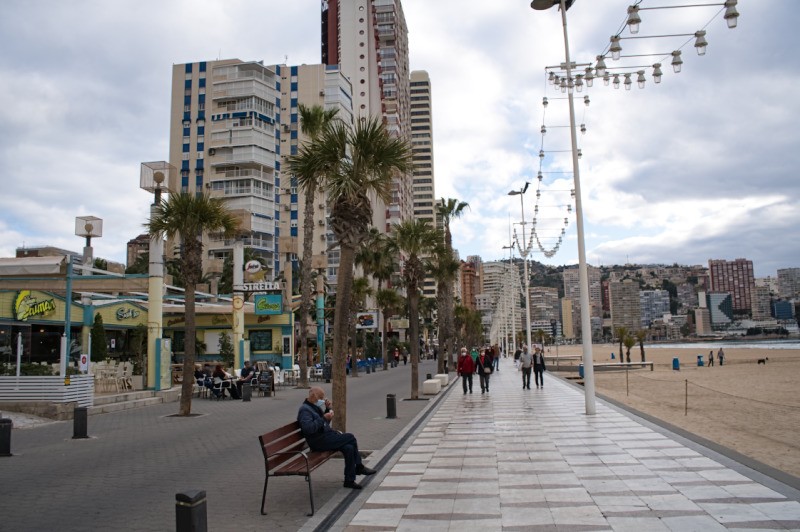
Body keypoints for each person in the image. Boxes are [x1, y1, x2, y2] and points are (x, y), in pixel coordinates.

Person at [297, 387, 376, 489]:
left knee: (349, 448)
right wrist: (323, 418)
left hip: (325, 437)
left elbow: (323, 424)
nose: (322, 400)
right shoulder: (305, 410)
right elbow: (309, 429)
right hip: (318, 442)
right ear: (313, 396)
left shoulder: (313, 407)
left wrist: (328, 410)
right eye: (321, 397)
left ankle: (349, 480)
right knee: (350, 437)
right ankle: (359, 467)